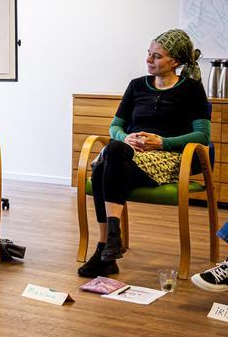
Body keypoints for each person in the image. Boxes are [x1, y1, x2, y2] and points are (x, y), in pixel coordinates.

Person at [81, 29, 210, 278]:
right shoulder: (137, 85)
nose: (149, 60)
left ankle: (103, 248)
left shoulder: (191, 90)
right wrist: (124, 136)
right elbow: (115, 126)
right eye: (148, 54)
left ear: (175, 62)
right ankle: (111, 243)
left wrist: (162, 142)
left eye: (157, 56)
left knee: (103, 166)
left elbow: (202, 136)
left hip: (169, 158)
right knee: (112, 152)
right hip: (128, 155)